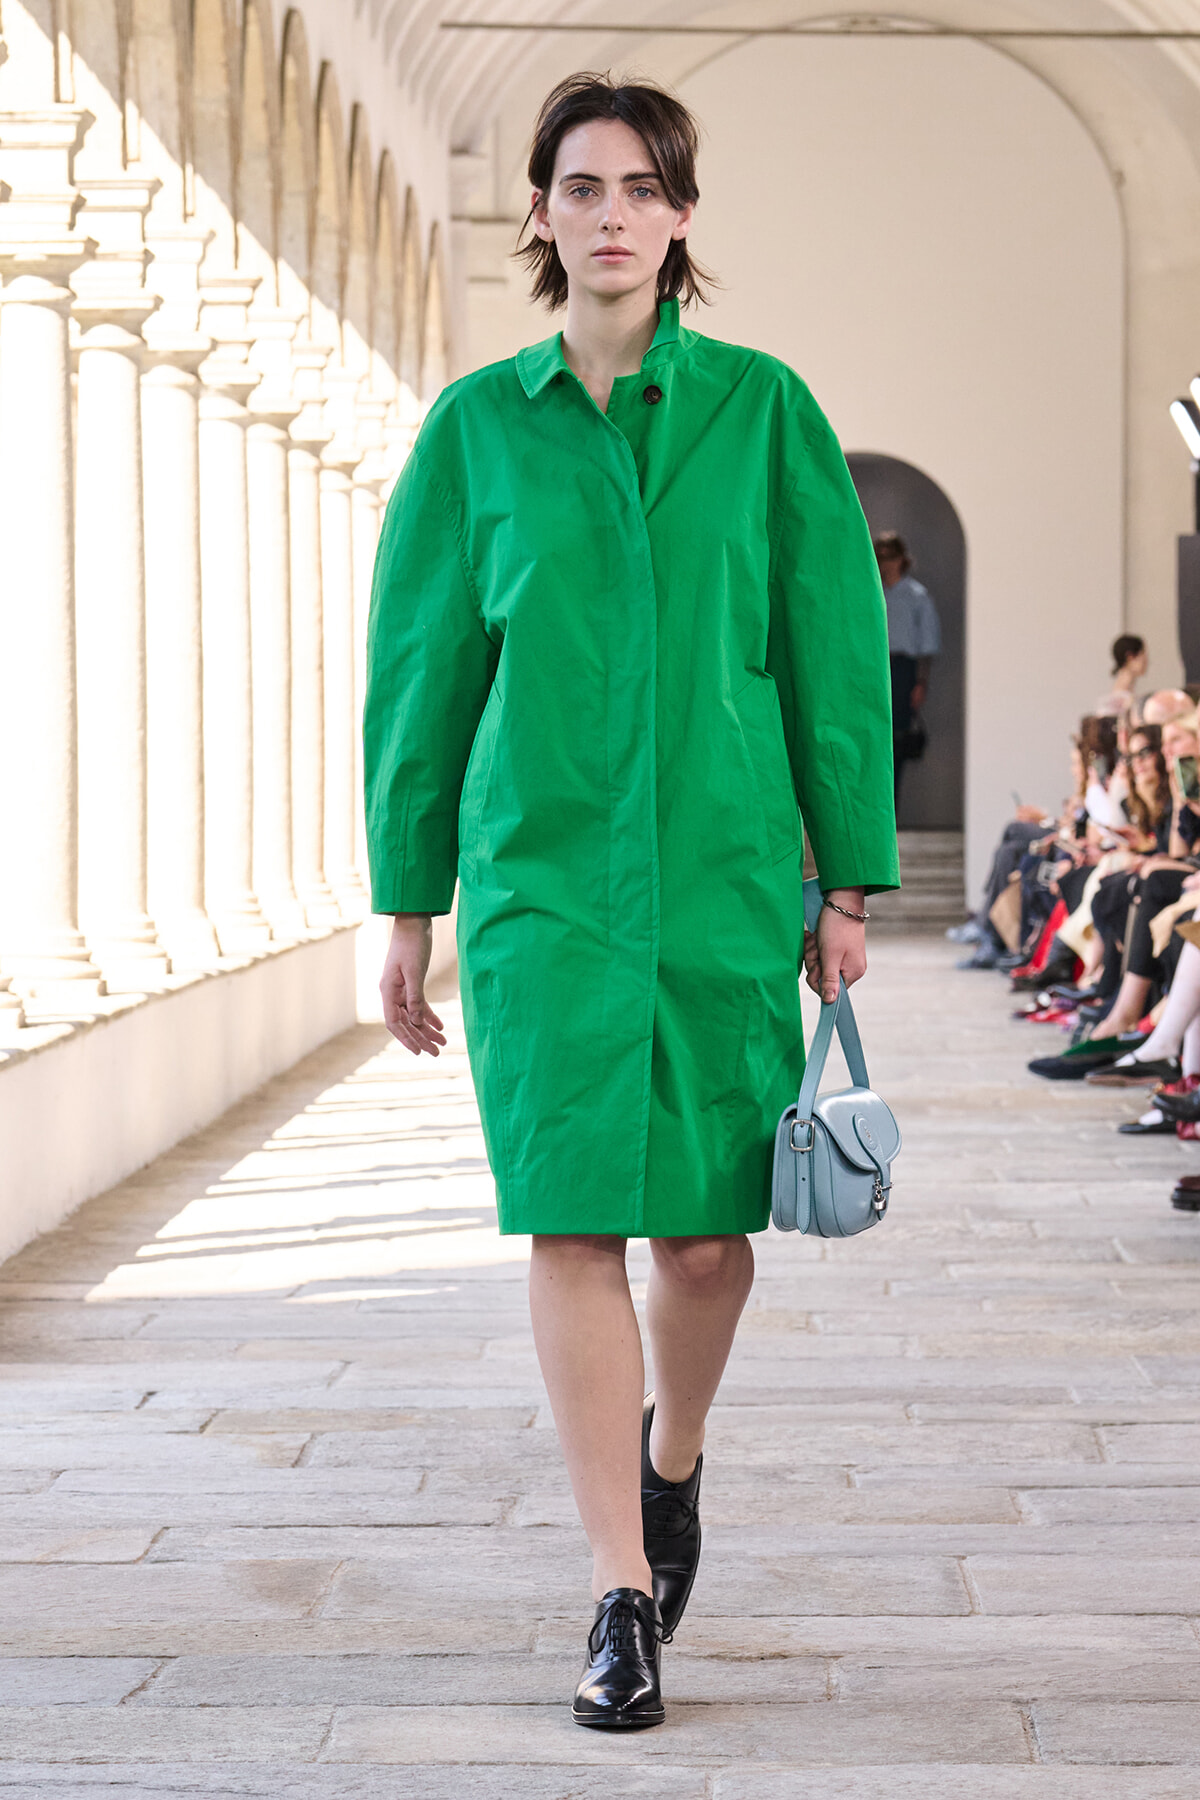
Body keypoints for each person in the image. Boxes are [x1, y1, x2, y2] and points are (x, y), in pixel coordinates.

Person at [362, 73, 898, 1731]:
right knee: (574, 1217)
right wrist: (407, 898)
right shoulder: (476, 433)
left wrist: (849, 873)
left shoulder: (767, 413)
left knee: (712, 1242)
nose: (608, 213)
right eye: (579, 185)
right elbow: (423, 672)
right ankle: (615, 1589)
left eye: (639, 188)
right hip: (539, 886)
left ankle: (675, 1459)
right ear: (538, 214)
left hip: (727, 876)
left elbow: (831, 652)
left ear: (679, 221)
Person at [874, 530, 941, 808]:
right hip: (873, 669)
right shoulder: (869, 590)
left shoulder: (916, 596)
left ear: (902, 559)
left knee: (897, 741)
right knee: (874, 737)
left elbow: (927, 644)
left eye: (892, 557)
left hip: (902, 669)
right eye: (881, 557)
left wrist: (920, 683)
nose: (886, 563)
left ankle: (892, 808)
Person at [1095, 633, 1148, 719]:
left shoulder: (1123, 694)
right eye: (1142, 655)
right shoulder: (1121, 699)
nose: (1146, 661)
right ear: (1130, 657)